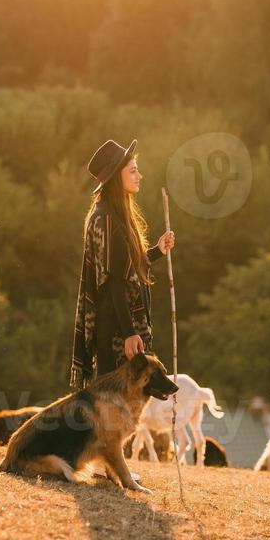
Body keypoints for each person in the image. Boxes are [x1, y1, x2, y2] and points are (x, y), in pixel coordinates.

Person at [70, 138, 175, 391]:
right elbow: (114, 283)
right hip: (115, 330)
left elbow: (126, 269)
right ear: (117, 177)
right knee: (115, 405)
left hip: (117, 326)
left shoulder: (110, 214)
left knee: (122, 407)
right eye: (133, 170)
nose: (140, 175)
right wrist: (129, 332)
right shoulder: (107, 220)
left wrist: (157, 251)